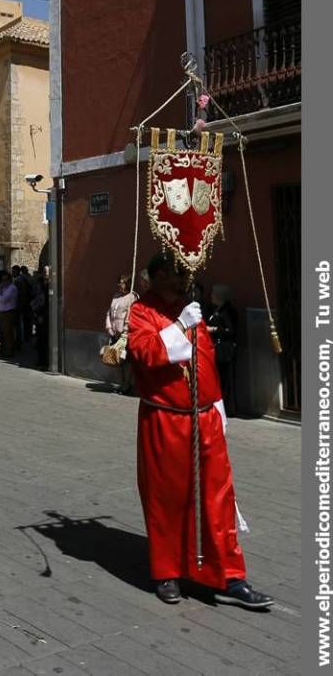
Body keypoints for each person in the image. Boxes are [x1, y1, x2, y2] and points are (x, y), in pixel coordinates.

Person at [126, 251, 272, 609]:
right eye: (176, 274)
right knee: (168, 500)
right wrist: (178, 328)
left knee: (217, 498)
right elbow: (144, 352)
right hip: (166, 420)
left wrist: (218, 407)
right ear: (157, 275)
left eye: (184, 275)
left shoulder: (191, 307)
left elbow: (205, 359)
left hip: (204, 418)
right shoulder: (140, 311)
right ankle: (167, 572)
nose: (182, 281)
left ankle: (230, 576)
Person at [207, 285, 238, 416]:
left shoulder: (227, 311)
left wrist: (213, 329)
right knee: (219, 379)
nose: (211, 296)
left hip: (225, 351)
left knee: (225, 380)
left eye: (213, 294)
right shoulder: (217, 309)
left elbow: (230, 330)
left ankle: (227, 408)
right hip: (218, 350)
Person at [104, 274, 136, 395]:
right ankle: (121, 383)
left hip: (125, 334)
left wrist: (126, 330)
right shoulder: (116, 296)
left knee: (125, 360)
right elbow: (109, 312)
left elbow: (132, 314)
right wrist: (109, 327)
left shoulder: (132, 297)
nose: (120, 285)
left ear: (127, 284)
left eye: (122, 282)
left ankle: (127, 385)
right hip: (115, 333)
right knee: (117, 359)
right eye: (119, 282)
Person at [0, 271, 18, 358]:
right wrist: (0, 289)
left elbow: (2, 299)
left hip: (9, 312)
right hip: (2, 312)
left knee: (8, 332)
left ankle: (9, 351)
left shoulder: (12, 288)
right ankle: (4, 350)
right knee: (3, 332)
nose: (3, 282)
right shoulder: (4, 288)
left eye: (5, 280)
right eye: (2, 280)